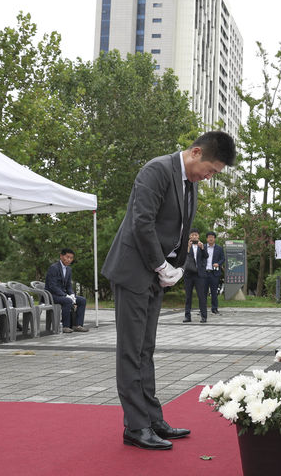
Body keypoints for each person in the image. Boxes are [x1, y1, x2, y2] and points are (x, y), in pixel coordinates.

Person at [101, 131, 236, 450]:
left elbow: (181, 231)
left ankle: (152, 417)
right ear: (195, 152)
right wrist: (161, 265)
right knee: (131, 350)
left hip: (155, 275)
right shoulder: (157, 170)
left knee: (146, 348)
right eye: (211, 169)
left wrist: (176, 266)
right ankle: (135, 426)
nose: (210, 176)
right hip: (134, 270)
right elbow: (142, 223)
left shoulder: (190, 184)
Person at [45, 248, 88, 333]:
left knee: (82, 300)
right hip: (52, 295)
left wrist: (72, 294)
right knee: (67, 301)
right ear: (61, 256)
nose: (69, 260)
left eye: (71, 258)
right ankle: (66, 326)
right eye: (67, 257)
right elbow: (52, 286)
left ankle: (78, 325)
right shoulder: (54, 268)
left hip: (63, 295)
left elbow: (68, 285)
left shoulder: (69, 269)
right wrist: (65, 295)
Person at [182, 229, 208, 323]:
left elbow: (206, 256)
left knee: (201, 296)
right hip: (189, 274)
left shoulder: (202, 245)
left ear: (198, 236)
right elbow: (184, 258)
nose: (194, 236)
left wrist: (202, 248)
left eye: (196, 235)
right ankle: (187, 316)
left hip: (199, 275)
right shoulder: (186, 246)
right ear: (189, 236)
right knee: (188, 296)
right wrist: (188, 249)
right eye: (192, 235)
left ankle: (204, 316)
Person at [204, 231, 224, 315]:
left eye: (212, 237)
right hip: (204, 273)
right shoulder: (203, 247)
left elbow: (223, 259)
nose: (211, 238)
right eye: (209, 237)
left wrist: (218, 264)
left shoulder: (219, 248)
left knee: (214, 292)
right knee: (203, 292)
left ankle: (214, 308)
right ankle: (202, 308)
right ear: (207, 239)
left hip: (214, 273)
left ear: (215, 238)